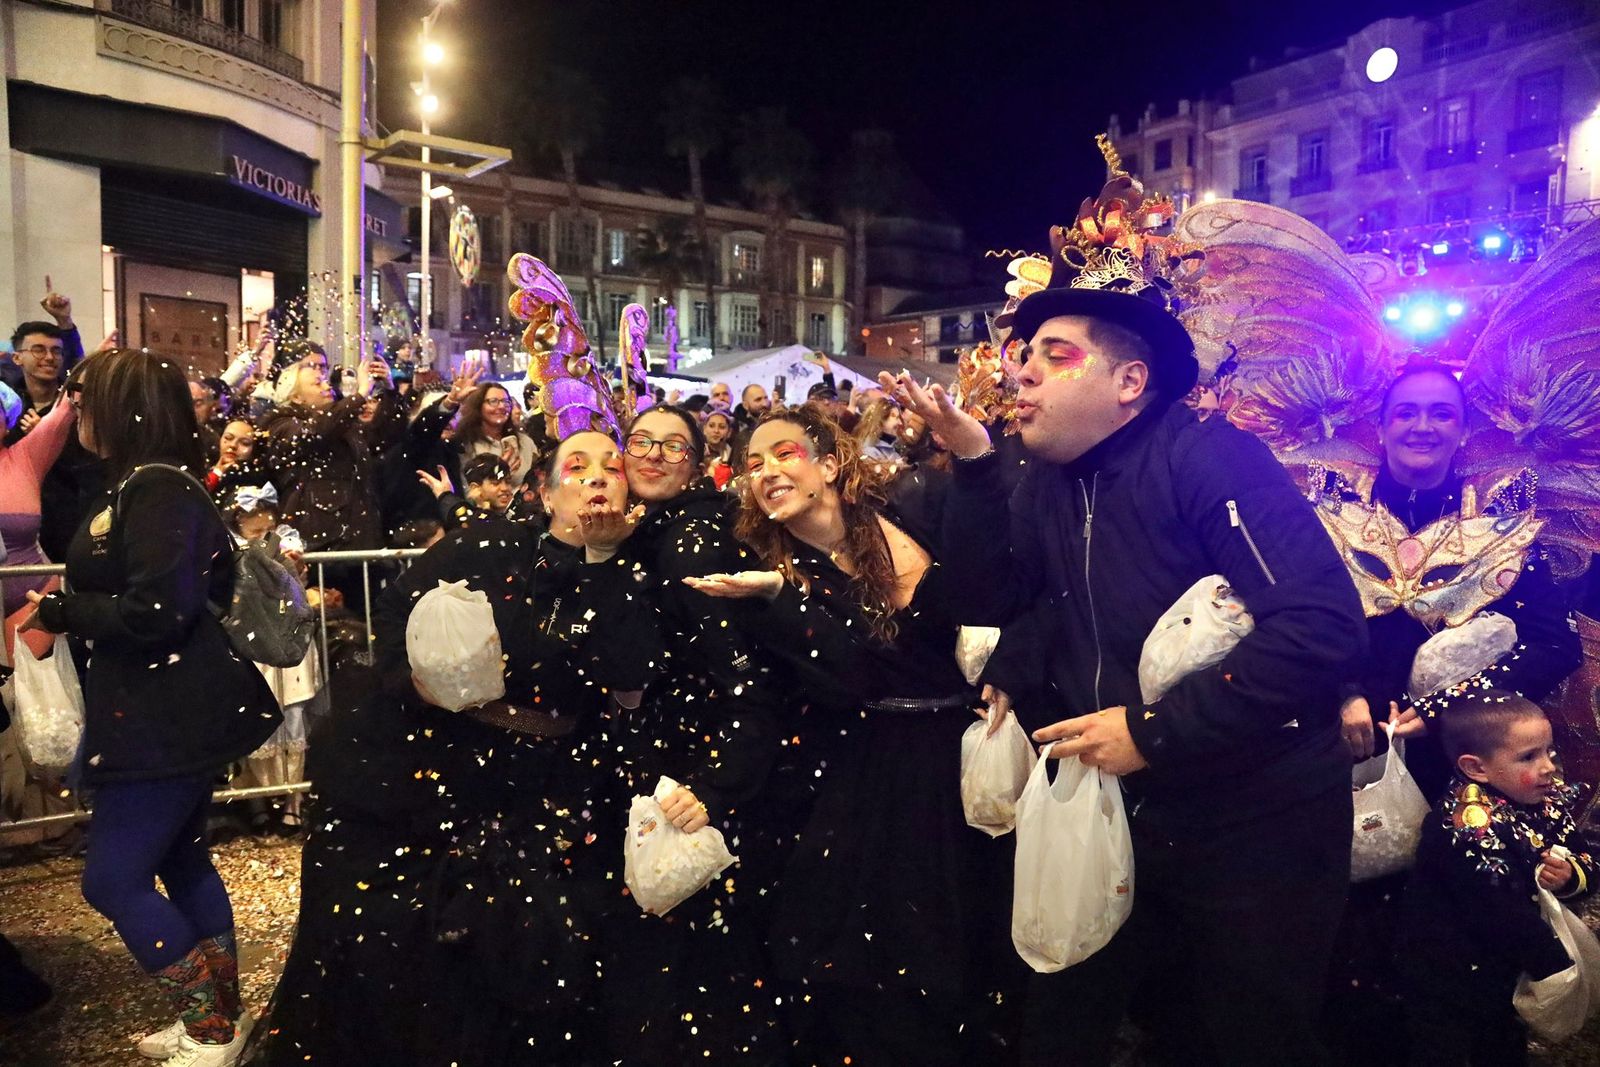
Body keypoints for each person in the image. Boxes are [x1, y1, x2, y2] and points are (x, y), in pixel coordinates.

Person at [893, 151, 1367, 1065]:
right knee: (1075, 1024)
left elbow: (1320, 627)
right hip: (1114, 811)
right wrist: (980, 468)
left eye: (1054, 356)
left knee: (1240, 1035)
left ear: (1129, 382)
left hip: (1253, 820)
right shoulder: (1038, 479)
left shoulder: (1210, 459)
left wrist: (1154, 729)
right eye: (1022, 356)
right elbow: (995, 600)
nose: (1022, 374)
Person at [248, 429, 656, 1067]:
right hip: (441, 765)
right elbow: (395, 609)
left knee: (530, 942)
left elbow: (627, 667)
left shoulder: (639, 566)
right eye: (577, 466)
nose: (598, 477)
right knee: (414, 934)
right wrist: (416, 682)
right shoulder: (491, 545)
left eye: (613, 467)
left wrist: (604, 560)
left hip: (552, 781)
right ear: (545, 493)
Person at [686, 405, 1022, 1066]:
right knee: (886, 969)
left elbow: (993, 583)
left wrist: (975, 462)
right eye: (753, 463)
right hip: (874, 774)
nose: (766, 470)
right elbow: (851, 674)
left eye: (783, 453)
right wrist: (782, 598)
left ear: (831, 465)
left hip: (968, 747)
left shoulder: (910, 506)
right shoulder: (765, 571)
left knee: (982, 949)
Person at [23, 349, 280, 1067]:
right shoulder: (146, 484)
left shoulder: (160, 490)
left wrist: (69, 609)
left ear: (126, 406)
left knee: (113, 877)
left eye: (89, 397)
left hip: (163, 716)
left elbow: (158, 609)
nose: (79, 410)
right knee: (181, 857)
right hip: (159, 709)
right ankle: (219, 1022)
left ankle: (210, 1026)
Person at [598, 403, 787, 1064]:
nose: (652, 455)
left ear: (697, 460)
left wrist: (718, 783)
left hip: (691, 772)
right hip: (663, 761)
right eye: (641, 441)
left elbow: (743, 676)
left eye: (672, 446)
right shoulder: (643, 529)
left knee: (697, 966)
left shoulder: (692, 538)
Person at [1331, 361, 1581, 799]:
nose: (1422, 426)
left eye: (1441, 413)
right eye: (1406, 412)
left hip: (1457, 761)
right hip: (1337, 735)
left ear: (1464, 430)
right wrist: (1341, 693)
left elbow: (1555, 646)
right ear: (1382, 426)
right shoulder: (1333, 510)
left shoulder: (1498, 519)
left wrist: (1447, 708)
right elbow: (1298, 618)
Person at [1397, 689, 1595, 1065]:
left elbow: (1585, 855)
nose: (1549, 766)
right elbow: (1499, 909)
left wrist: (1573, 875)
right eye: (1529, 756)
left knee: (1503, 1040)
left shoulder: (1545, 799)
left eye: (1548, 751)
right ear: (1476, 768)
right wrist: (1555, 966)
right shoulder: (1467, 824)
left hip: (1507, 964)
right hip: (1449, 967)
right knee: (1449, 1047)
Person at [453, 381, 538, 486]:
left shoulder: (525, 442)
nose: (502, 406)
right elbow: (468, 488)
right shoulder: (466, 444)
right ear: (478, 406)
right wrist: (500, 473)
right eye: (493, 401)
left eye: (506, 401)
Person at [701, 405, 736, 489]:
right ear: (704, 429)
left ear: (729, 432)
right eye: (711, 426)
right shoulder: (697, 454)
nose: (716, 431)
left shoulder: (734, 455)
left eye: (722, 427)